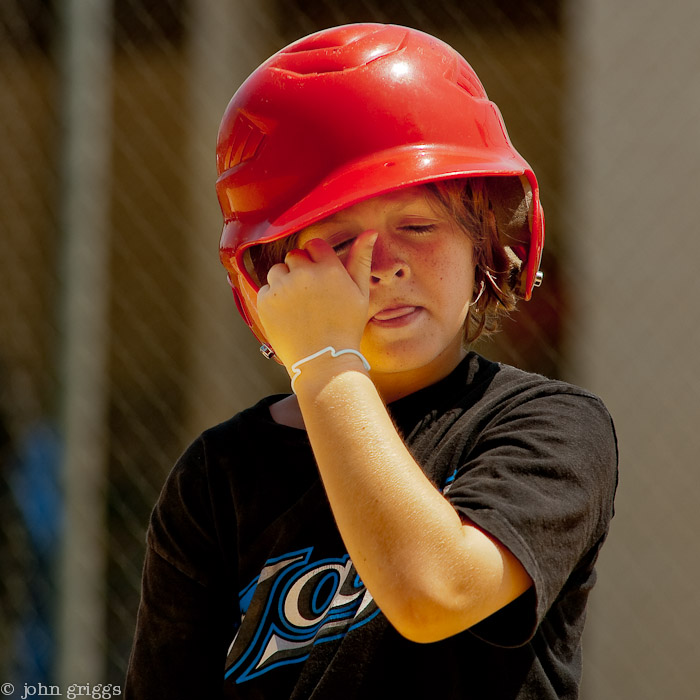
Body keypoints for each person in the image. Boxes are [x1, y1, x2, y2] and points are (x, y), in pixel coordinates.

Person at [125, 23, 617, 699]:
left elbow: (435, 594)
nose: (384, 267)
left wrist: (327, 361)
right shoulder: (219, 477)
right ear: (273, 273)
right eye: (339, 237)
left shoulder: (548, 425)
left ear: (484, 241)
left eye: (418, 226)